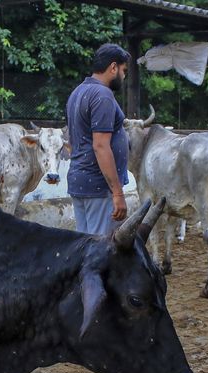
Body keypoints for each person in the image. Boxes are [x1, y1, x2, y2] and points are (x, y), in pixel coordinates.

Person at [65, 43, 130, 235]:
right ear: (113, 67)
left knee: (86, 245)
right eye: (124, 70)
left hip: (80, 182)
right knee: (101, 247)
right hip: (98, 188)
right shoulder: (103, 95)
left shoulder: (78, 92)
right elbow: (100, 146)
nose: (124, 76)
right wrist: (117, 193)